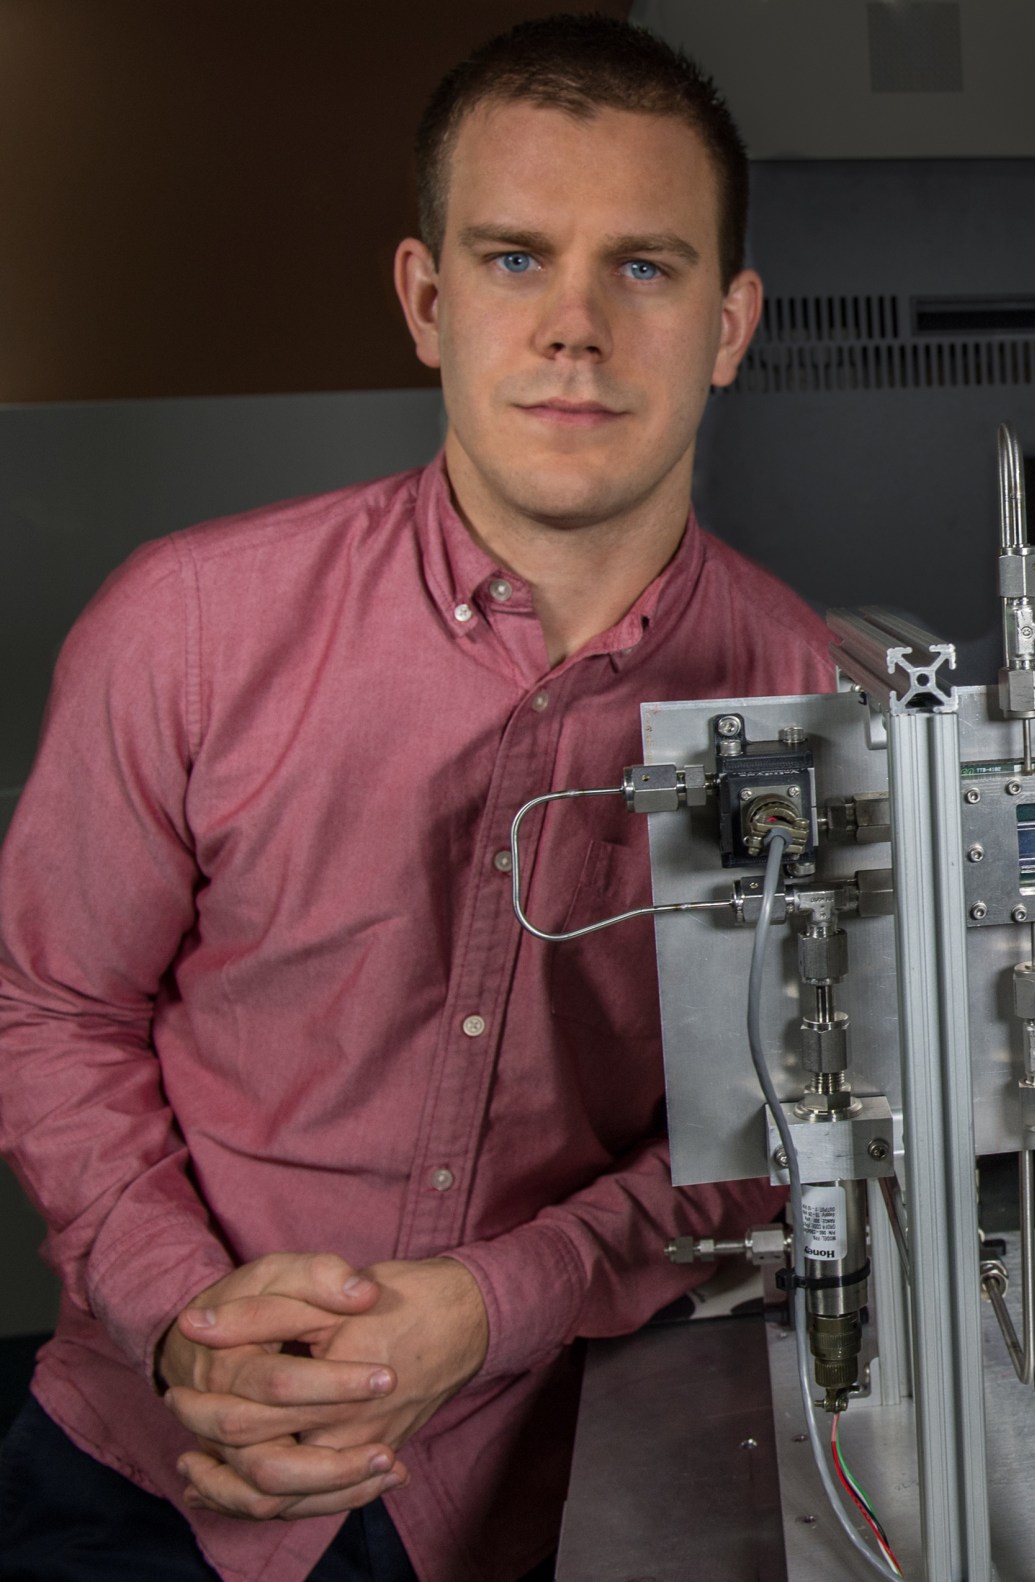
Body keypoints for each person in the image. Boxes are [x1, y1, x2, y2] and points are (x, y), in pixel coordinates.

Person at [0, 15, 833, 1582]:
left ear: (730, 324)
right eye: (517, 259)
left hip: (554, 1478)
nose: (576, 327)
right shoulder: (180, 627)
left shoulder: (802, 695)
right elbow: (53, 1008)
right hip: (155, 1464)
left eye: (643, 268)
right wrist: (194, 1319)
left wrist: (498, 1298)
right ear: (427, 298)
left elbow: (780, 1120)